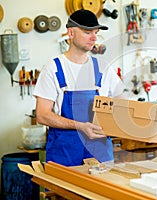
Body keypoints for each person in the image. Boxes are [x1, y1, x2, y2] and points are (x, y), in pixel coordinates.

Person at [33, 9, 126, 166]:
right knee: (63, 190)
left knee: (101, 190)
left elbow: (123, 105)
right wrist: (80, 126)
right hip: (65, 153)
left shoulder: (103, 68)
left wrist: (155, 116)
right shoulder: (53, 68)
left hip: (100, 151)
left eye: (96, 32)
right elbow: (42, 115)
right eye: (87, 32)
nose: (94, 38)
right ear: (71, 33)